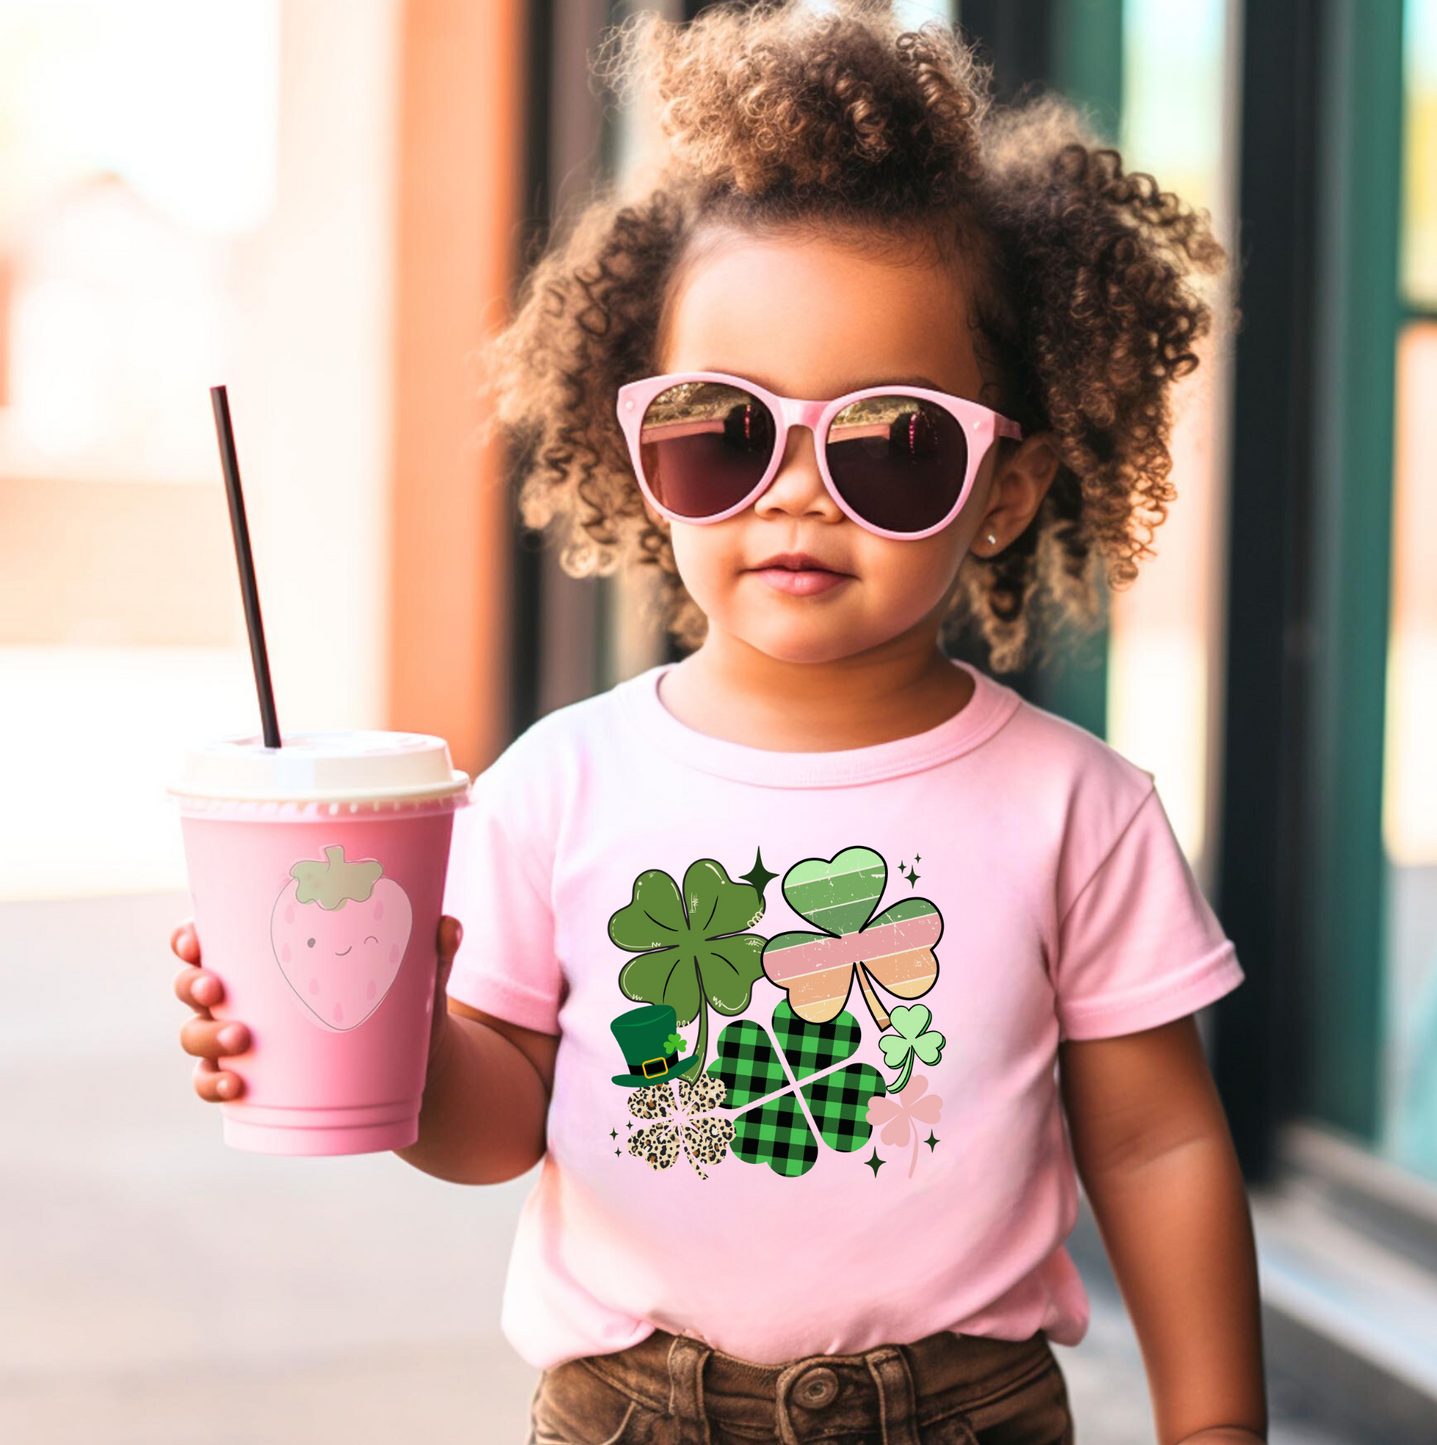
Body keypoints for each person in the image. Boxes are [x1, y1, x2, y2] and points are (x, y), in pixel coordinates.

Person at [172, 4, 1268, 1441]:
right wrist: (385, 1040)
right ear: (642, 459)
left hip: (962, 1409)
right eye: (723, 428)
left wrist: (1215, 1426)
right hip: (635, 1407)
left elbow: (1157, 1136)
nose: (796, 491)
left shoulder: (1079, 808)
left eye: (892, 441)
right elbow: (502, 1118)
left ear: (1005, 487)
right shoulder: (559, 783)